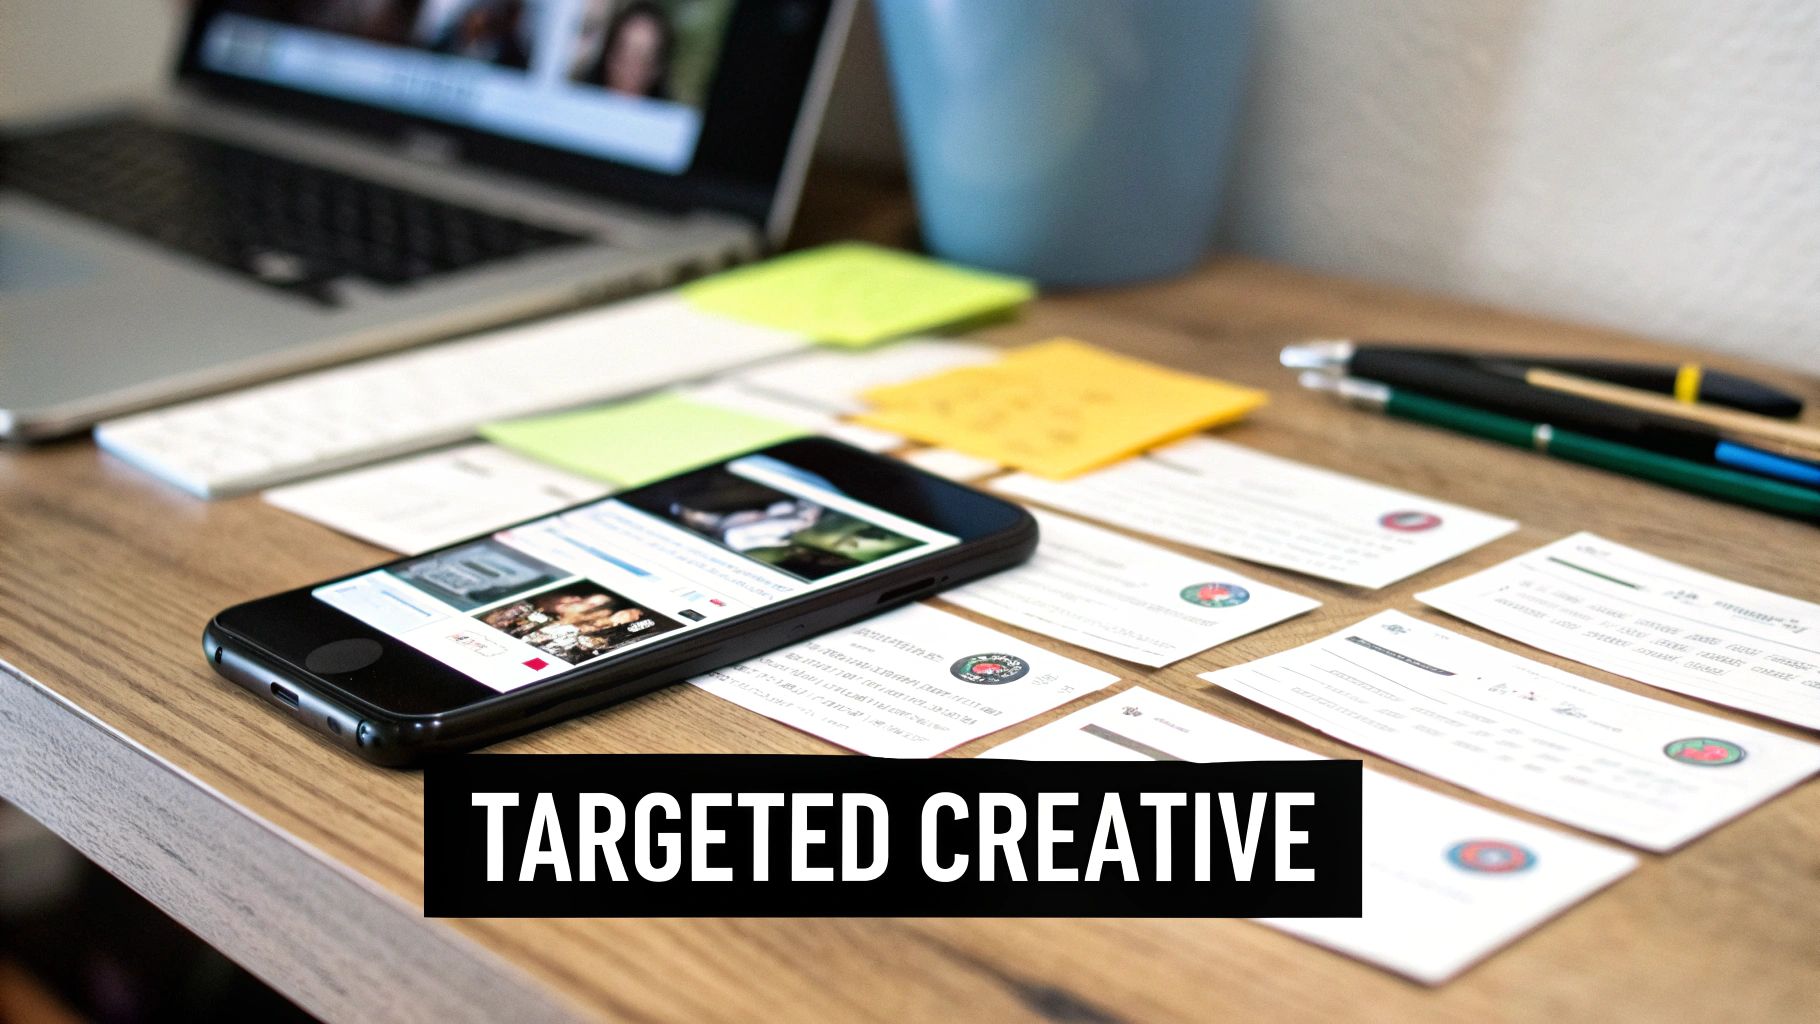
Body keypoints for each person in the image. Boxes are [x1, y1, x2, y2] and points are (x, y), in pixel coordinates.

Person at [588, 1, 674, 99]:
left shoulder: (669, 112)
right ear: (608, 54)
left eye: (643, 58)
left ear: (657, 69)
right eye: (622, 53)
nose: (628, 68)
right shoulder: (578, 101)